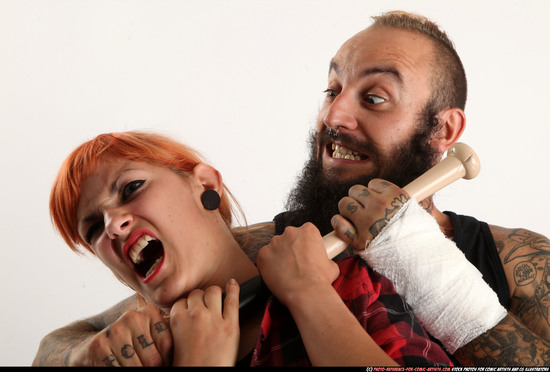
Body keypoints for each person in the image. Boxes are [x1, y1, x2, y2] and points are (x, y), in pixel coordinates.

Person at [33, 10, 550, 366]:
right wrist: (87, 354)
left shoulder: (518, 262)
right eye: (332, 90)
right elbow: (63, 343)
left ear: (444, 131)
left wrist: (415, 257)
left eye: (374, 97)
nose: (333, 115)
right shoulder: (262, 254)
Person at [41, 130, 453, 366]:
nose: (113, 225)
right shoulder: (131, 359)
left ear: (206, 185)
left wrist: (311, 296)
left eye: (131, 188)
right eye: (94, 227)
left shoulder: (343, 291)